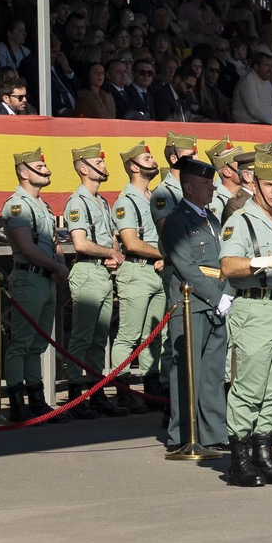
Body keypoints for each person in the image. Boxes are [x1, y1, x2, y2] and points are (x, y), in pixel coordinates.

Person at [218, 156, 272, 486]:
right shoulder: (241, 220)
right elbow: (228, 265)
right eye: (269, 184)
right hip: (255, 308)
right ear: (254, 186)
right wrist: (263, 261)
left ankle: (263, 455)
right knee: (248, 388)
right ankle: (239, 461)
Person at [159, 156, 231, 453]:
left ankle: (213, 432)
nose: (212, 188)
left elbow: (223, 259)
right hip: (191, 304)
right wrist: (215, 296)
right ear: (188, 187)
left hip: (215, 301)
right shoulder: (177, 220)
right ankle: (184, 436)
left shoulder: (210, 219)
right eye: (205, 183)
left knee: (212, 372)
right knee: (188, 371)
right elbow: (185, 265)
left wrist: (226, 292)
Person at [0, 149, 69, 423]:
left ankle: (37, 401)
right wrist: (57, 266)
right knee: (21, 343)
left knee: (37, 344)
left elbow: (51, 243)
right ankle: (18, 403)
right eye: (40, 166)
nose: (47, 170)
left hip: (45, 278)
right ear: (23, 172)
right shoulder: (17, 205)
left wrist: (58, 264)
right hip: (29, 279)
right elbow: (27, 247)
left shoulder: (43, 205)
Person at [62, 145, 126, 419]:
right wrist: (111, 252)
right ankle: (76, 394)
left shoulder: (102, 202)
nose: (103, 164)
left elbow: (109, 236)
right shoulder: (78, 201)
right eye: (97, 161)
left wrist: (112, 252)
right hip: (87, 271)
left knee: (99, 337)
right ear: (83, 169)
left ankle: (95, 390)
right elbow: (80, 242)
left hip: (101, 272)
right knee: (82, 335)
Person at [112, 143, 167, 404]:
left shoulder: (154, 196)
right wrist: (163, 255)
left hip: (155, 271)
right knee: (128, 336)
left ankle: (151, 388)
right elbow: (131, 243)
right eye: (147, 157)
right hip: (136, 270)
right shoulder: (126, 201)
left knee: (153, 335)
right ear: (134, 166)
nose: (153, 160)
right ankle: (123, 391)